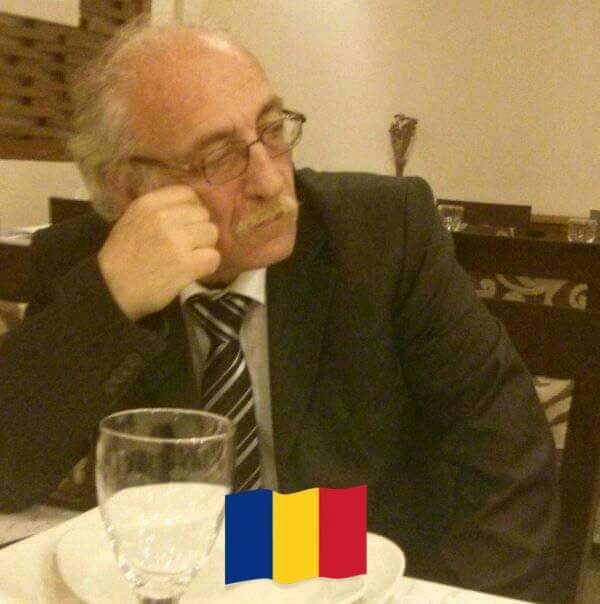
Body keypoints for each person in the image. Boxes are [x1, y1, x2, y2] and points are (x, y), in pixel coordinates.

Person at [0, 19, 558, 600]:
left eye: (272, 130)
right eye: (219, 157)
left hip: (364, 570)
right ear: (130, 188)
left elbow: (511, 458)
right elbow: (7, 476)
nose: (271, 181)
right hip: (178, 579)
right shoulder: (88, 265)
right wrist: (108, 304)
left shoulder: (382, 232)